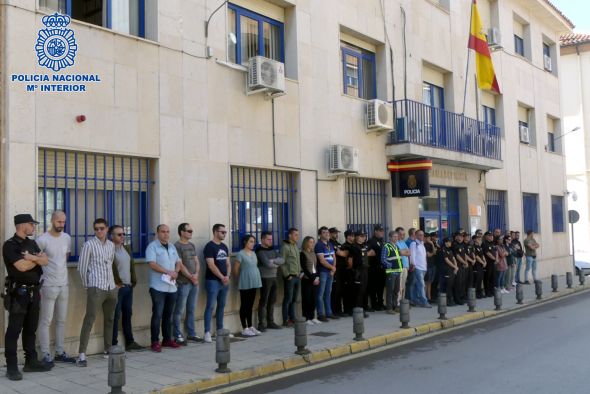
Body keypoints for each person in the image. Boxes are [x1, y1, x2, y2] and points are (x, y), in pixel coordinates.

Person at [3, 214, 51, 380]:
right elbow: (21, 267)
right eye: (31, 224)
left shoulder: (31, 243)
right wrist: (37, 259)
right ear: (22, 225)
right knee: (14, 330)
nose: (33, 227)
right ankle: (11, 367)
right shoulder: (10, 245)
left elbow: (46, 260)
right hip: (19, 294)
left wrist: (32, 257)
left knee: (31, 328)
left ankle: (31, 362)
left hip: (34, 292)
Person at [76, 218, 118, 366]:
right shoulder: (89, 245)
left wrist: (114, 285)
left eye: (101, 228)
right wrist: (88, 285)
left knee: (110, 319)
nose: (99, 231)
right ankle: (82, 354)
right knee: (90, 319)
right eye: (96, 229)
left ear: (107, 229)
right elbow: (82, 268)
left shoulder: (111, 245)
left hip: (110, 287)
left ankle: (107, 349)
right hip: (96, 287)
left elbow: (110, 264)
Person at [36, 210, 76, 365]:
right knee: (46, 320)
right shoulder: (42, 240)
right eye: (59, 221)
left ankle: (60, 351)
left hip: (64, 284)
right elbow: (37, 260)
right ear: (52, 220)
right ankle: (46, 354)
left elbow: (65, 256)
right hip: (48, 285)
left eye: (64, 222)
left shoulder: (66, 237)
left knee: (61, 320)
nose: (62, 224)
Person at [146, 224, 181, 352]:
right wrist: (168, 272)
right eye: (163, 232)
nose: (165, 234)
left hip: (171, 287)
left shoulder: (171, 246)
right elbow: (152, 264)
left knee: (168, 315)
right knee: (157, 315)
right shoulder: (152, 247)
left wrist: (176, 272)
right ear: (157, 233)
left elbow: (178, 261)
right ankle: (155, 341)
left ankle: (167, 339)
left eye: (167, 231)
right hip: (158, 287)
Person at [110, 225, 143, 351]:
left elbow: (130, 267)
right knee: (115, 315)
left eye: (123, 234)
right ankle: (113, 343)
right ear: (112, 236)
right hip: (118, 288)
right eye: (119, 234)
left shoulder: (126, 249)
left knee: (128, 314)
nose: (122, 236)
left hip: (129, 286)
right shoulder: (110, 250)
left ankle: (130, 342)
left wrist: (133, 281)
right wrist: (116, 283)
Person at [173, 223, 201, 345]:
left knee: (191, 309)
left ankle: (191, 333)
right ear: (182, 232)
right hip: (183, 282)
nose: (191, 232)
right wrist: (190, 276)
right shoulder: (176, 246)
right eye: (188, 231)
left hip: (194, 282)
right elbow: (180, 265)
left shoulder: (191, 245)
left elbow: (196, 261)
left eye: (191, 230)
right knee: (179, 310)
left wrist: (196, 275)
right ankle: (177, 334)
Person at [203, 224, 231, 343]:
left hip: (224, 281)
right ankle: (207, 332)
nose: (224, 234)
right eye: (222, 232)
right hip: (213, 281)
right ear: (215, 232)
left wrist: (227, 276)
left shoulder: (224, 246)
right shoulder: (209, 247)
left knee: (222, 305)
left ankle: (220, 330)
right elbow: (211, 265)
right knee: (210, 306)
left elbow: (228, 263)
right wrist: (221, 277)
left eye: (225, 232)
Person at [233, 234, 263, 337]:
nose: (252, 243)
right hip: (245, 281)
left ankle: (250, 326)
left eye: (253, 241)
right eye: (250, 241)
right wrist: (241, 279)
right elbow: (236, 270)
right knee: (244, 305)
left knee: (250, 304)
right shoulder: (240, 254)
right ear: (245, 242)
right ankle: (244, 327)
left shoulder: (254, 253)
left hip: (254, 281)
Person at [255, 231, 284, 331]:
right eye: (268, 239)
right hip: (265, 278)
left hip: (274, 277)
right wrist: (276, 262)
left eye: (271, 239)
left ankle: (270, 321)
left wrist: (274, 261)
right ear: (262, 239)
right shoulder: (260, 251)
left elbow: (282, 260)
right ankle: (261, 324)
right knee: (264, 301)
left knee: (272, 300)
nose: (271, 241)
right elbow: (267, 264)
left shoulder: (273, 250)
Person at [315, 226, 337, 322]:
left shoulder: (330, 244)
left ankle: (329, 312)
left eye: (327, 232)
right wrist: (332, 268)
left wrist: (333, 268)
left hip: (330, 272)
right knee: (321, 293)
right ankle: (321, 314)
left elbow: (334, 256)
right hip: (323, 272)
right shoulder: (319, 245)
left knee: (328, 293)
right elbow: (322, 261)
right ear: (320, 234)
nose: (327, 234)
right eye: (324, 232)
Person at [281, 227, 301, 327]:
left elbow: (297, 261)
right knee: (288, 299)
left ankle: (292, 318)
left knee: (294, 299)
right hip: (290, 277)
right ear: (290, 235)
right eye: (295, 234)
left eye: (298, 234)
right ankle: (286, 319)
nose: (297, 236)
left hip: (297, 276)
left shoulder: (295, 246)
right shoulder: (285, 247)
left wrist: (300, 272)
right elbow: (282, 262)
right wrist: (287, 275)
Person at [348, 230, 369, 317]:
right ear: (356, 237)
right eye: (361, 236)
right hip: (358, 271)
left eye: (364, 236)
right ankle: (357, 310)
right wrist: (353, 270)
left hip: (365, 270)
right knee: (358, 292)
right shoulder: (354, 246)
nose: (363, 237)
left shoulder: (363, 246)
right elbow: (350, 260)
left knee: (363, 291)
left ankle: (361, 309)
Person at [381, 230, 403, 314]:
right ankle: (389, 308)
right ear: (390, 237)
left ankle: (395, 306)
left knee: (396, 290)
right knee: (390, 290)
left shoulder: (396, 246)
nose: (396, 238)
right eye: (394, 237)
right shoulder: (386, 246)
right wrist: (390, 265)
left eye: (397, 237)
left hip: (398, 271)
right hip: (391, 272)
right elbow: (383, 259)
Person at [300, 236, 320, 325]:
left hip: (315, 278)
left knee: (313, 299)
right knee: (306, 299)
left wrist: (317, 277)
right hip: (307, 280)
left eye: (313, 242)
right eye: (311, 242)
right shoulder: (302, 253)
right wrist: (312, 278)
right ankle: (306, 318)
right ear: (306, 243)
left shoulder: (313, 253)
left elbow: (316, 266)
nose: (312, 244)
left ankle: (312, 317)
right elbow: (304, 268)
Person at [329, 227, 349, 317]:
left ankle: (340, 310)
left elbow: (345, 253)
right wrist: (342, 253)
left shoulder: (338, 244)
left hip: (342, 270)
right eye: (334, 233)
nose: (336, 235)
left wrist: (342, 252)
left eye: (337, 233)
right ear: (330, 233)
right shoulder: (330, 244)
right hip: (335, 270)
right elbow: (341, 254)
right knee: (335, 291)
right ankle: (334, 311)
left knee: (341, 290)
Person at [409, 230, 431, 307]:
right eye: (420, 235)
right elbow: (412, 255)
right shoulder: (414, 244)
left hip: (423, 268)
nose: (422, 236)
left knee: (416, 284)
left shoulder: (422, 244)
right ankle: (424, 302)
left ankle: (415, 300)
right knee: (421, 285)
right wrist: (413, 265)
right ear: (416, 235)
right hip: (417, 267)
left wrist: (425, 266)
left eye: (422, 235)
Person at [366, 225, 386, 311]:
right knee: (373, 287)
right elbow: (368, 252)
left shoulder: (382, 241)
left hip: (381, 268)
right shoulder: (371, 241)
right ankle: (374, 304)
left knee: (381, 287)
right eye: (380, 231)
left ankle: (381, 303)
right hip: (373, 268)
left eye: (382, 230)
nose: (382, 232)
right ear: (375, 231)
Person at [440, 237, 458, 306]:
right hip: (446, 270)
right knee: (447, 286)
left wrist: (456, 267)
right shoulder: (443, 249)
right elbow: (446, 260)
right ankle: (447, 301)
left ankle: (450, 299)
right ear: (445, 242)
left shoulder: (449, 249)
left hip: (451, 269)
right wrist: (455, 267)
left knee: (451, 285)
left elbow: (453, 258)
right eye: (449, 242)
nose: (450, 243)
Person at [395, 227, 411, 303]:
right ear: (397, 234)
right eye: (401, 234)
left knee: (403, 285)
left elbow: (409, 252)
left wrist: (403, 252)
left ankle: (402, 301)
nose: (402, 236)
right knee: (399, 286)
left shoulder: (403, 242)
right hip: (399, 266)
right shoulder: (395, 243)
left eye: (403, 234)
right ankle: (398, 303)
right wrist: (404, 252)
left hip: (405, 266)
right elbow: (400, 253)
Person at [451, 232, 467, 305]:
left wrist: (466, 262)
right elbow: (457, 256)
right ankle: (457, 299)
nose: (461, 238)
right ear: (456, 237)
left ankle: (462, 297)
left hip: (463, 266)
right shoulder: (454, 245)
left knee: (463, 282)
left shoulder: (462, 244)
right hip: (458, 266)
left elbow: (464, 254)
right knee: (458, 283)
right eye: (459, 236)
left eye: (462, 236)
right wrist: (464, 262)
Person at [424, 232, 438, 303]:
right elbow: (428, 255)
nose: (430, 239)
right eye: (429, 238)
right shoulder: (424, 245)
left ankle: (429, 297)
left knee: (430, 282)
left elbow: (434, 252)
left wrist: (432, 244)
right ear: (425, 238)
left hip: (432, 265)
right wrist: (432, 246)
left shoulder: (431, 244)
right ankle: (425, 297)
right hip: (428, 265)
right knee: (426, 282)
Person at [482, 231, 496, 297]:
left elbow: (495, 252)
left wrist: (496, 259)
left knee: (492, 277)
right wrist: (495, 259)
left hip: (493, 263)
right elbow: (487, 253)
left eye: (492, 236)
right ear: (486, 236)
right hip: (488, 264)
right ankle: (487, 291)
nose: (491, 237)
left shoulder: (492, 243)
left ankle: (492, 290)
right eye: (490, 236)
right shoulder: (484, 244)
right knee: (487, 278)